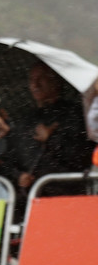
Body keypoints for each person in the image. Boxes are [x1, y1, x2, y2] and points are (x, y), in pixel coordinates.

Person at [10, 62, 93, 201]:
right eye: (31, 80)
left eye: (41, 79)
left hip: (69, 196)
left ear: (56, 82)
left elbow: (82, 156)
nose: (35, 85)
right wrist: (19, 176)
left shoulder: (75, 114)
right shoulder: (26, 120)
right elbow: (11, 158)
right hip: (32, 198)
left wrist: (52, 138)